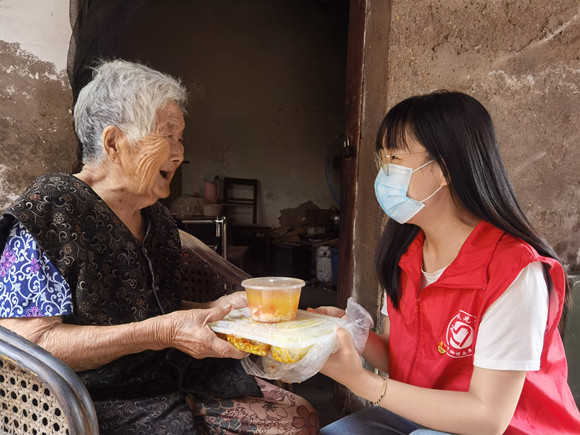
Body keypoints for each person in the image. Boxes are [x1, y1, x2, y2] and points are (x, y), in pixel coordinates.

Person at [0, 59, 318, 435]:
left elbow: (148, 310)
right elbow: (29, 346)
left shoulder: (158, 221)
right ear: (114, 142)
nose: (180, 152)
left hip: (170, 376)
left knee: (298, 418)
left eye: (180, 137)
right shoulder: (49, 212)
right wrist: (162, 332)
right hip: (92, 401)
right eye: (167, 135)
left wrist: (213, 310)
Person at [314, 91, 580, 434]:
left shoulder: (514, 270)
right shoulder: (404, 252)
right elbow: (402, 355)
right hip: (430, 413)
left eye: (395, 157)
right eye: (383, 160)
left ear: (445, 169)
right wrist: (353, 335)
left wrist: (362, 382)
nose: (383, 174)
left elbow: (488, 418)